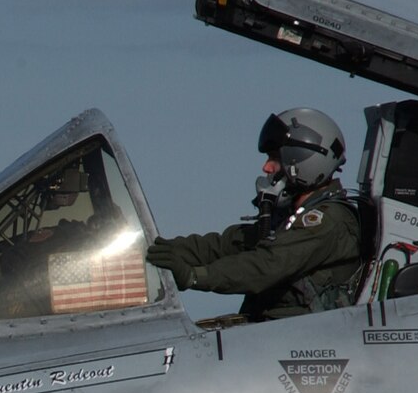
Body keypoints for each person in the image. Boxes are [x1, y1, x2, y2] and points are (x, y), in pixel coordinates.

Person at [146, 108, 364, 320]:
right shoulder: (287, 220)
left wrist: (194, 277)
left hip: (301, 340)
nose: (266, 168)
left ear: (304, 161)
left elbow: (267, 264)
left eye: (274, 158)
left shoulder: (329, 221)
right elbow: (224, 246)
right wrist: (154, 251)